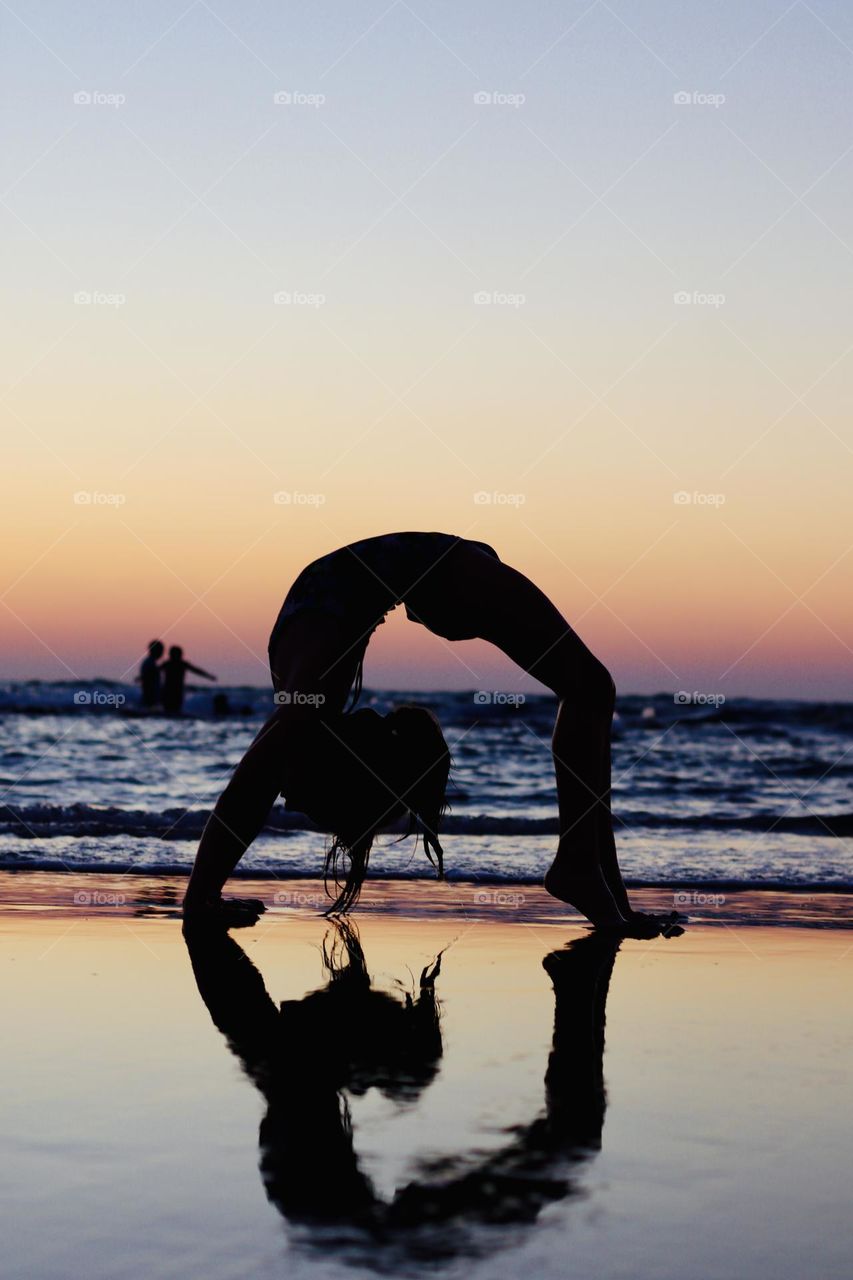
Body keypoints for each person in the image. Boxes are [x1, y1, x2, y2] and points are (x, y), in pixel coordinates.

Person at [183, 531, 671, 930]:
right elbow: (255, 785)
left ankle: (583, 871)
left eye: (299, 803)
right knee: (590, 690)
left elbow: (249, 786)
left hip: (435, 568)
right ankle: (586, 873)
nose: (288, 801)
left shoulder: (306, 709)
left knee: (590, 689)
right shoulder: (311, 704)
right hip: (432, 568)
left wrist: (200, 899)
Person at [160, 644, 216, 714]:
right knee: (170, 709)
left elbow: (197, 670)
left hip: (176, 691)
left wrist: (209, 676)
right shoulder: (169, 664)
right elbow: (154, 672)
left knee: (173, 709)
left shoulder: (179, 664)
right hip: (169, 691)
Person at [137, 639, 164, 708]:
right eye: (161, 650)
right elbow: (148, 676)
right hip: (150, 695)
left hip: (150, 695)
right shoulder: (149, 662)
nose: (162, 653)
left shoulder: (150, 662)